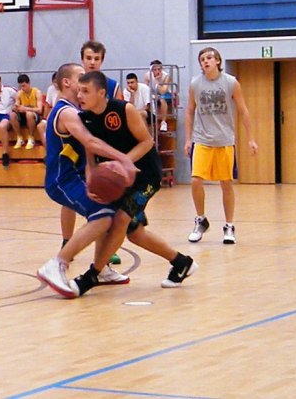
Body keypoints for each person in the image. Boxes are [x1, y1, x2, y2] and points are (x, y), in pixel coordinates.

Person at [68, 71, 197, 296]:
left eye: (85, 91)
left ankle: (92, 276)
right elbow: (90, 153)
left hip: (146, 175)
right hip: (118, 178)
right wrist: (91, 177)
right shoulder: (84, 117)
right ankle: (181, 262)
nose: (79, 95)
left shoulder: (123, 109)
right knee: (135, 233)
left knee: (120, 220)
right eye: (79, 91)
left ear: (101, 93)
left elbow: (147, 142)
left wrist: (123, 162)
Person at [37, 63, 138, 298]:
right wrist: (124, 159)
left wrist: (92, 172)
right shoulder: (66, 112)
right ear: (67, 82)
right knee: (102, 216)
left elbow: (88, 148)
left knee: (108, 209)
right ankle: (57, 263)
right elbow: (90, 142)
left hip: (77, 176)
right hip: (62, 179)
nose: (85, 80)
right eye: (80, 76)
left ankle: (101, 269)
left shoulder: (77, 110)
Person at [185, 47, 258, 245]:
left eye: (209, 57)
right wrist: (188, 139)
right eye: (202, 59)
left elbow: (243, 111)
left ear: (217, 61)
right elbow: (189, 111)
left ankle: (229, 226)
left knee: (226, 183)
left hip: (224, 140)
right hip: (202, 139)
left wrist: (251, 138)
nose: (206, 61)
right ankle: (200, 220)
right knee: (195, 180)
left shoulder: (231, 82)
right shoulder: (195, 84)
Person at [79, 40, 123, 264]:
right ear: (82, 59)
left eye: (96, 58)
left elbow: (122, 115)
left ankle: (107, 248)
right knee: (73, 202)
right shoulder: (76, 86)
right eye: (89, 58)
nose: (92, 62)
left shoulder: (112, 86)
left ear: (102, 61)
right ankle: (67, 241)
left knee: (106, 197)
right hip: (80, 145)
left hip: (105, 147)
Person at [11, 73, 43, 150]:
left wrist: (26, 108)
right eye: (21, 86)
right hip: (23, 115)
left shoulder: (37, 92)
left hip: (34, 116)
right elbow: (17, 104)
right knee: (12, 115)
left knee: (29, 114)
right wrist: (16, 107)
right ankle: (19, 137)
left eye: (24, 86)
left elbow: (39, 110)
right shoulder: (19, 93)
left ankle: (31, 137)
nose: (22, 88)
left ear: (29, 83)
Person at [144, 59, 172, 131]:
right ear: (151, 70)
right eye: (155, 70)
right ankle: (149, 120)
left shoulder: (166, 76)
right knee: (147, 100)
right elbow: (145, 88)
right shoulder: (147, 75)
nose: (157, 71)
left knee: (162, 99)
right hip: (153, 93)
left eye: (159, 69)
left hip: (166, 94)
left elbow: (163, 91)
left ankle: (163, 122)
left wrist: (157, 81)